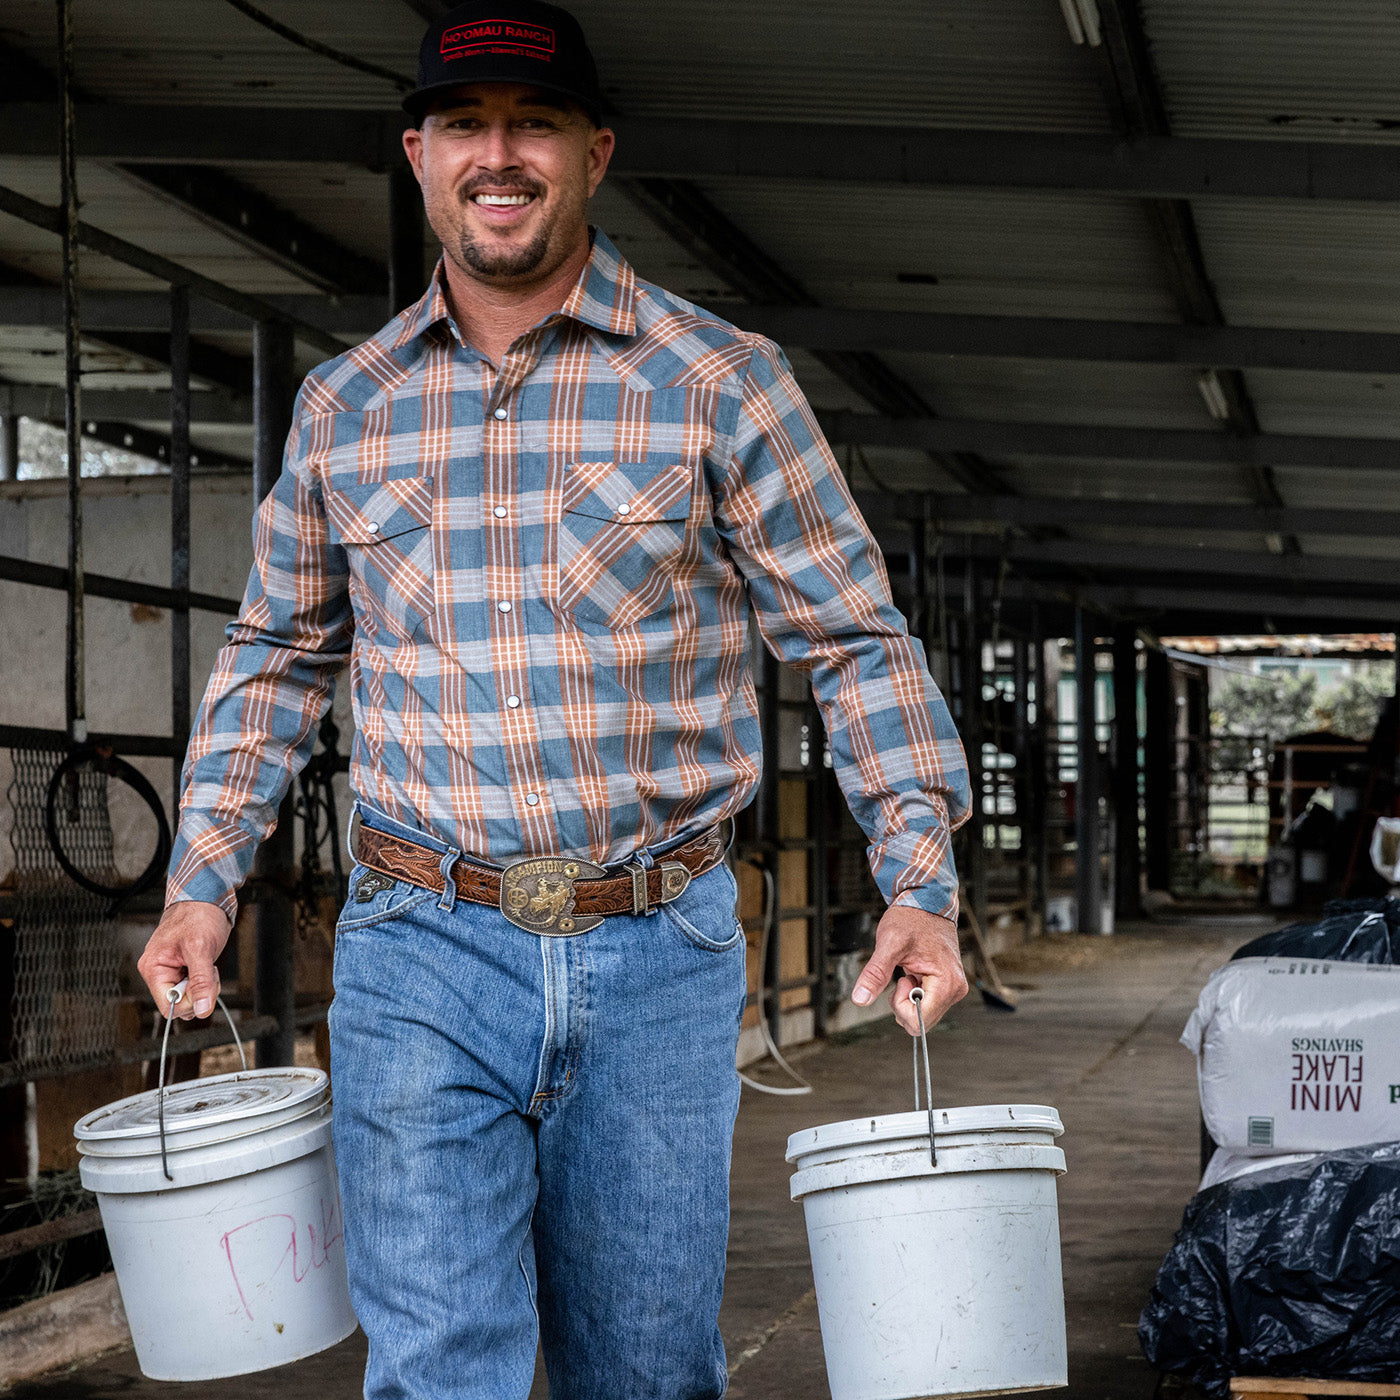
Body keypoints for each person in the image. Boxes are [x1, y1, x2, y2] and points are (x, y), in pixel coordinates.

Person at [137, 2, 971, 1395]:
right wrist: (201, 882)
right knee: (443, 1364)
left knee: (642, 1370)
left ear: (595, 151)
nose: (498, 154)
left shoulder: (723, 382)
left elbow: (851, 640)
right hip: (421, 942)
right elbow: (278, 653)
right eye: (465, 124)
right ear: (419, 155)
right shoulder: (347, 409)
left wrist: (920, 879)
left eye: (532, 122)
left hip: (660, 949)